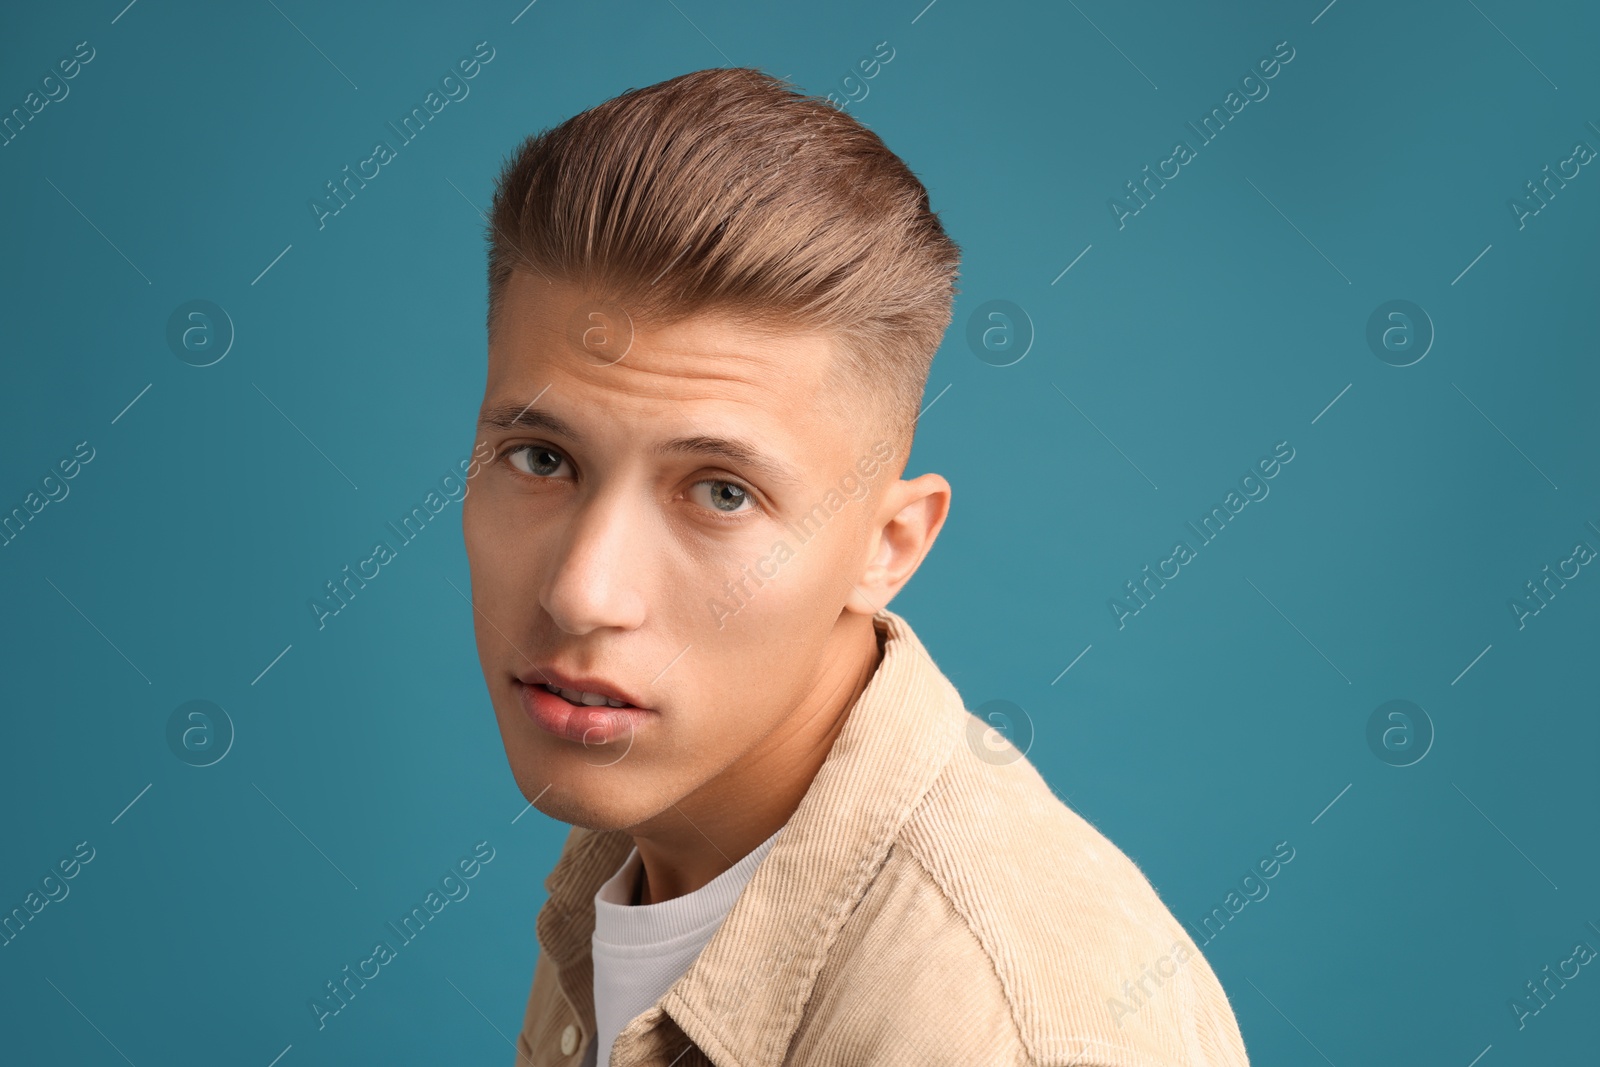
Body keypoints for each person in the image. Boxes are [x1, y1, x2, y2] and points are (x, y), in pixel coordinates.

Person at [461, 66, 1250, 1067]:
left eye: (720, 492)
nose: (582, 590)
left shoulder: (1004, 1031)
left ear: (889, 547)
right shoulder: (650, 833)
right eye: (542, 459)